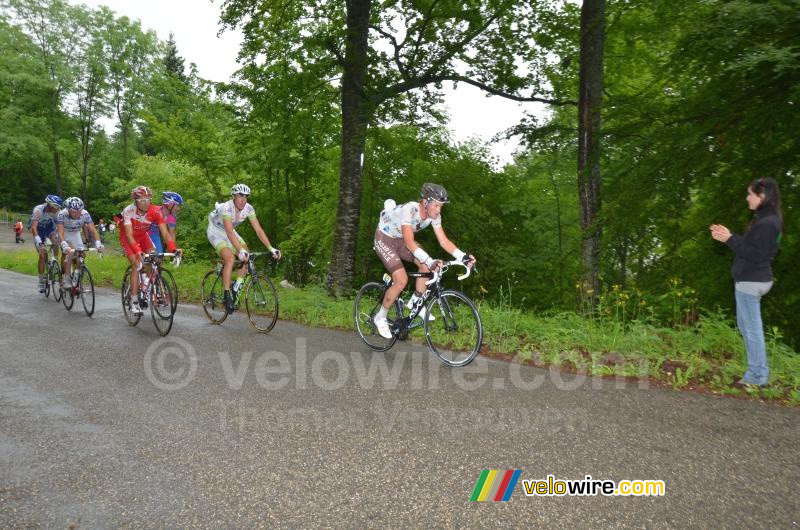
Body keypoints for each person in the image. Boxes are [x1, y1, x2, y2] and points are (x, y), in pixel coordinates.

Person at [371, 183, 475, 339]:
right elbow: (409, 242)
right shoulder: (410, 210)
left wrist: (463, 257)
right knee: (401, 280)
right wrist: (429, 259)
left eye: (441, 207)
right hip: (385, 239)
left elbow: (444, 241)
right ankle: (380, 316)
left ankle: (415, 300)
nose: (439, 210)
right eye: (436, 206)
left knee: (427, 266)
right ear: (425, 202)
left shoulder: (435, 216)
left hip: (401, 240)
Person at [710, 177, 783, 388]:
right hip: (752, 280)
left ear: (761, 196)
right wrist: (730, 235)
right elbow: (753, 246)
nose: (747, 198)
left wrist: (729, 240)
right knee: (747, 327)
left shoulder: (768, 223)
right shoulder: (766, 220)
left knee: (752, 330)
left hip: (751, 282)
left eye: (750, 194)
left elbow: (756, 255)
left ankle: (757, 376)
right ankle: (756, 371)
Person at [207, 183, 281, 314]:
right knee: (230, 258)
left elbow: (258, 230)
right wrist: (239, 250)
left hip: (230, 232)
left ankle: (236, 287)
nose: (243, 199)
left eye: (246, 197)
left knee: (248, 256)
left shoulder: (249, 209)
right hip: (216, 232)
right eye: (240, 196)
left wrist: (271, 248)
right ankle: (226, 296)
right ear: (234, 196)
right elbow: (229, 232)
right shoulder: (227, 208)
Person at [117, 186, 181, 315]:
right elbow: (129, 235)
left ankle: (145, 286)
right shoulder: (128, 211)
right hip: (128, 239)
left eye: (148, 200)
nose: (146, 203)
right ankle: (134, 301)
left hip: (144, 237)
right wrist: (137, 251)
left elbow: (165, 233)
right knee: (137, 264)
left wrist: (174, 249)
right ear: (135, 201)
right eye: (142, 200)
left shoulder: (155, 211)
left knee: (155, 259)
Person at [57, 197, 103, 287]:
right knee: (70, 252)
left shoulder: (85, 213)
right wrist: (64, 244)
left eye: (79, 211)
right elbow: (60, 232)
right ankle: (66, 278)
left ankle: (76, 274)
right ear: (68, 209)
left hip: (75, 233)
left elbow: (93, 230)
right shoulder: (62, 214)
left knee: (81, 256)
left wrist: (98, 243)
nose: (77, 214)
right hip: (64, 234)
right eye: (74, 212)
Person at [30, 194, 64, 293]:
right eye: (56, 207)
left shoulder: (58, 212)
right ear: (49, 205)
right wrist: (38, 241)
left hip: (50, 229)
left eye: (59, 207)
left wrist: (59, 238)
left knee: (55, 242)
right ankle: (41, 280)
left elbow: (59, 226)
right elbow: (33, 227)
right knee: (42, 255)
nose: (57, 209)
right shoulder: (38, 210)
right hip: (39, 230)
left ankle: (55, 260)